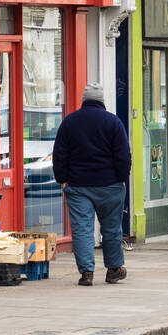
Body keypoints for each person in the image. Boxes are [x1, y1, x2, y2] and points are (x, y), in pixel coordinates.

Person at [52, 83, 133, 286]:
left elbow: (60, 154)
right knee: (112, 228)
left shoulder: (70, 122)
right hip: (110, 185)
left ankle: (86, 272)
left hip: (78, 186)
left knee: (82, 230)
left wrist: (62, 179)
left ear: (84, 100)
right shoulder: (113, 122)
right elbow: (123, 155)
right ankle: (114, 269)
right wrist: (122, 177)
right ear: (102, 100)